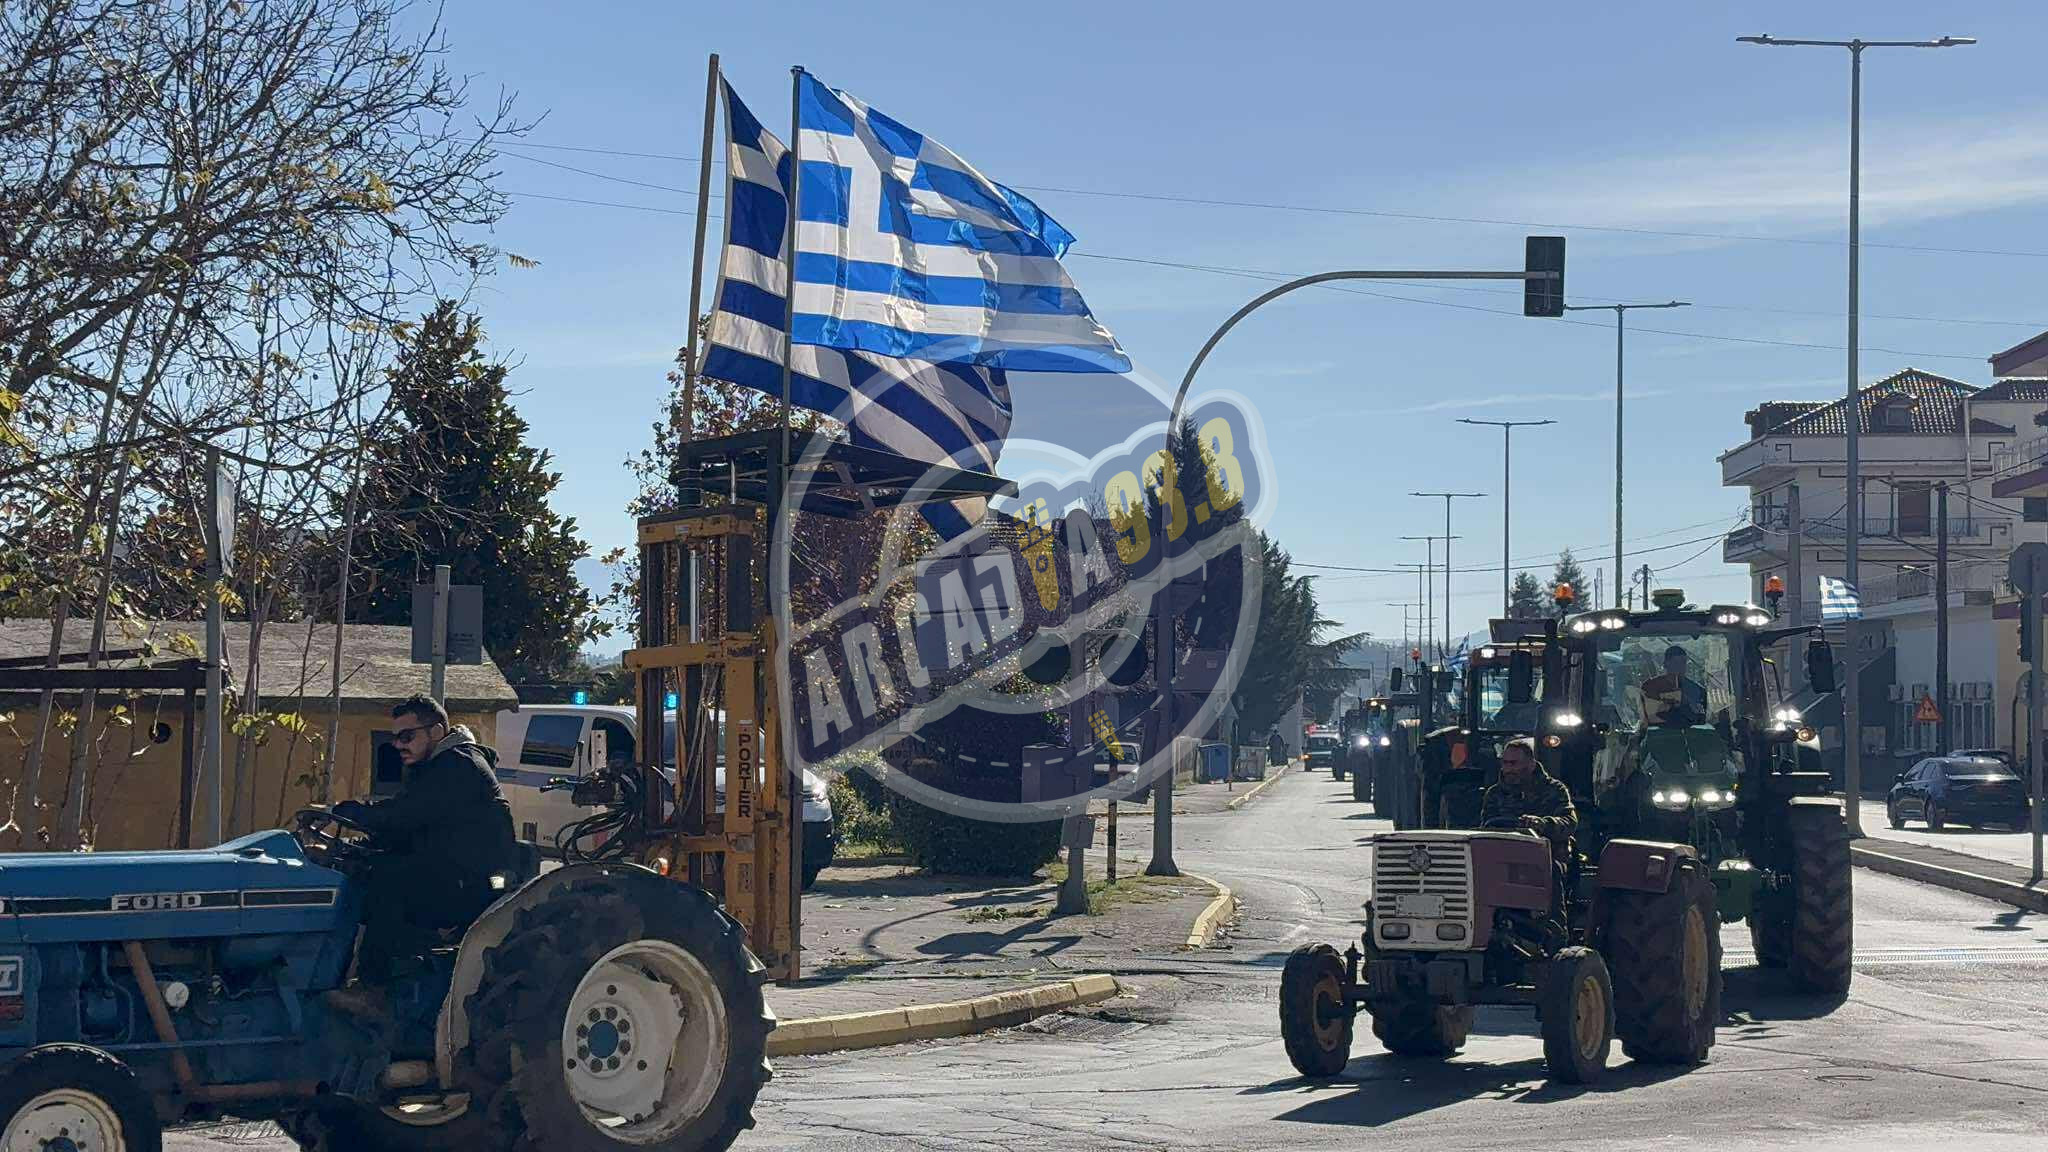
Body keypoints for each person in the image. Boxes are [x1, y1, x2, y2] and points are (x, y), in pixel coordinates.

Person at [331, 694, 518, 1002]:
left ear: (436, 731)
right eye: (395, 739)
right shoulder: (433, 768)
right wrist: (354, 845)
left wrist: (355, 813)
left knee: (387, 881)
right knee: (362, 868)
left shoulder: (459, 765)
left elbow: (404, 816)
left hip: (474, 883)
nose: (399, 745)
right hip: (446, 868)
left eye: (407, 736)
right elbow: (406, 827)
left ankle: (372, 989)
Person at [1478, 737, 1578, 858]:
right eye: (1505, 763)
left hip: (1548, 855)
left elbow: (1569, 822)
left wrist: (1542, 824)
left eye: (1514, 763)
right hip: (1504, 855)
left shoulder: (1554, 789)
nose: (1508, 769)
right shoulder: (1495, 793)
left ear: (1531, 764)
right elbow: (1486, 828)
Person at [1638, 644, 1709, 728]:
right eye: (1676, 663)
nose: (1680, 667)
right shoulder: (1651, 686)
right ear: (1666, 664)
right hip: (1657, 735)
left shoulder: (1697, 689)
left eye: (1683, 663)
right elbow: (1646, 717)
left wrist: (1687, 703)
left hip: (1691, 734)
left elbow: (1702, 718)